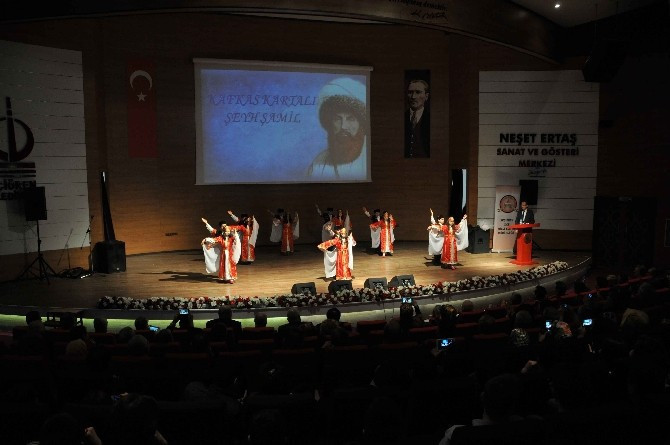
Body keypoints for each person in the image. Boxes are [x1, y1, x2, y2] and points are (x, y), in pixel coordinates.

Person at [306, 77, 368, 180]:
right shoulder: (318, 165)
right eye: (337, 119)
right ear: (330, 124)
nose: (343, 126)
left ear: (361, 124)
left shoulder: (369, 160)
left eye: (351, 119)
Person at [201, 217, 241, 282]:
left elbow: (236, 237)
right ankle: (225, 276)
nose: (224, 227)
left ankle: (230, 277)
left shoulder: (231, 237)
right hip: (221, 251)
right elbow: (213, 234)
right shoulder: (220, 235)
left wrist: (235, 234)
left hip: (229, 253)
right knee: (223, 264)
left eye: (225, 226)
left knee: (230, 264)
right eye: (223, 226)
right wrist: (206, 224)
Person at [405, 79, 430, 158]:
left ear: (426, 96)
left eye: (418, 92)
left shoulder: (430, 119)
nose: (413, 97)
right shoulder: (402, 117)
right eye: (410, 92)